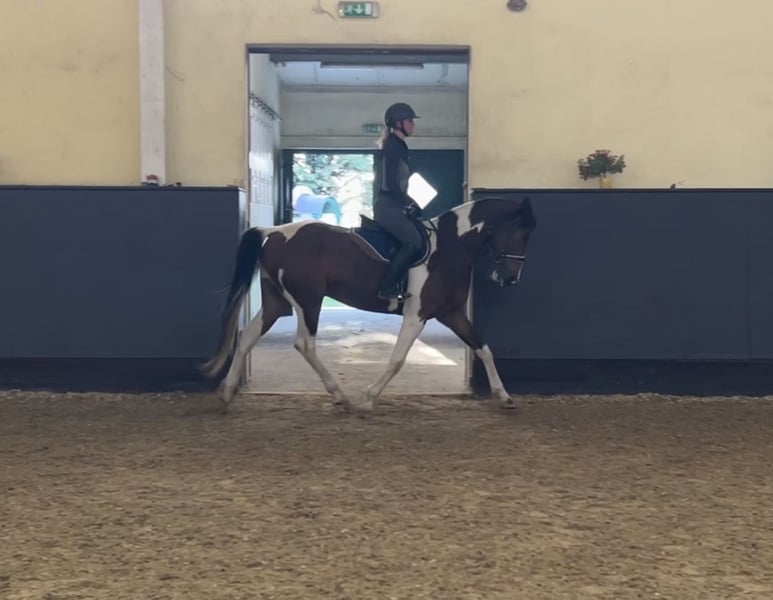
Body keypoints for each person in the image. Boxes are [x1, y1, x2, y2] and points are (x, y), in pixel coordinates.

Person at [374, 102, 424, 301]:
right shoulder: (393, 147)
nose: (413, 124)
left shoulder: (400, 146)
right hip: (389, 207)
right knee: (413, 241)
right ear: (398, 123)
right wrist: (407, 203)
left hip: (395, 205)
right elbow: (392, 184)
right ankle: (388, 286)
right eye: (410, 121)